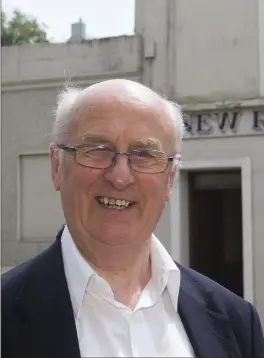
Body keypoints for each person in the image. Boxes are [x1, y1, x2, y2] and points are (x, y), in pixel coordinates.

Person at [2, 79, 264, 358]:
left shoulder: (235, 322)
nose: (120, 177)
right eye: (98, 150)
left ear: (170, 178)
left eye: (144, 155)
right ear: (56, 166)